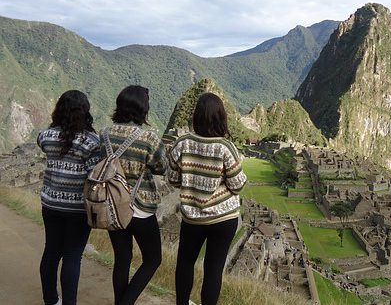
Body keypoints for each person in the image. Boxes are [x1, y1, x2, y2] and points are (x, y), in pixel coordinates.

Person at [167, 93, 247, 305]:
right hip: (224, 219)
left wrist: (192, 181)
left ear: (196, 117)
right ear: (221, 117)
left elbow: (173, 179)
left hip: (193, 217)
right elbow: (238, 184)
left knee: (185, 263)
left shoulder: (182, 144)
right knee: (214, 269)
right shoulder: (225, 147)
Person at [102, 85, 166, 305]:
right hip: (139, 208)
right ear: (143, 109)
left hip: (111, 205)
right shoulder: (148, 138)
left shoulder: (105, 134)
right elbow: (162, 167)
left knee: (122, 258)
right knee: (153, 259)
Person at [38, 90, 100, 305]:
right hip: (77, 208)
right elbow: (94, 175)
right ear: (85, 112)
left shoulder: (46, 136)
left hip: (50, 203)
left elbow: (42, 142)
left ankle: (50, 300)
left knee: (51, 252)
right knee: (73, 256)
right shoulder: (91, 141)